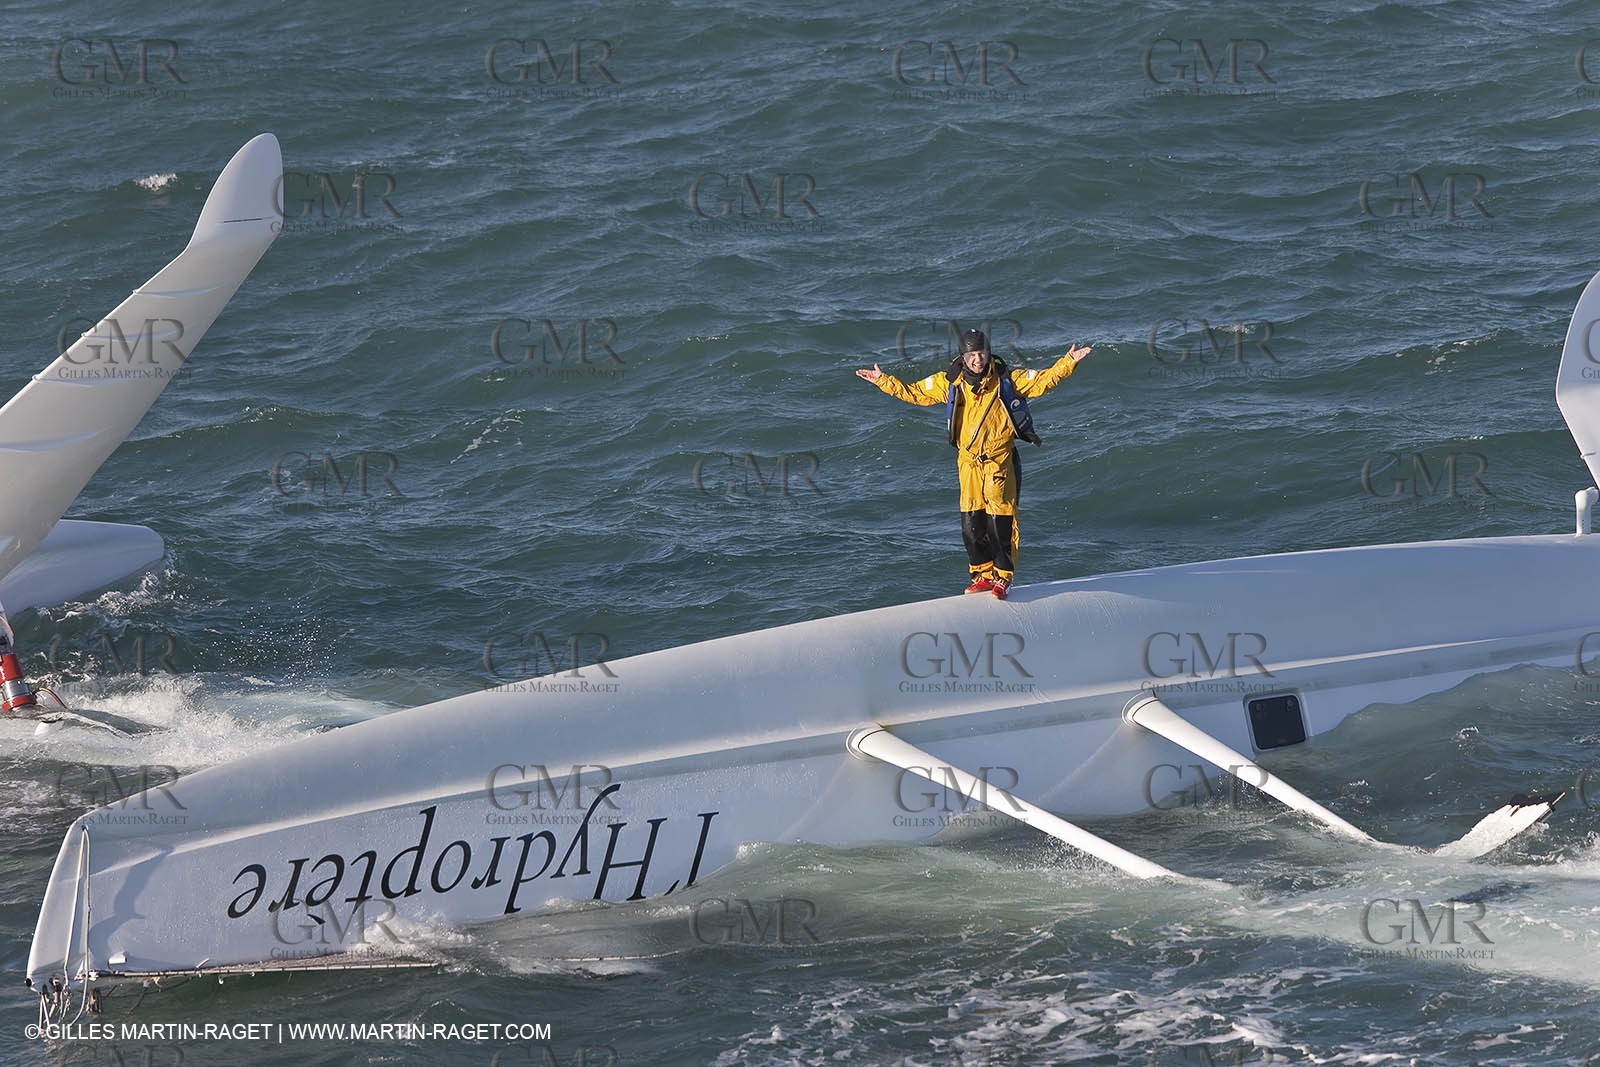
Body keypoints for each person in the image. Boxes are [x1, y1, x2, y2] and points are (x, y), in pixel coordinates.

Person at [856, 329, 1091, 599]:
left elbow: (1042, 381)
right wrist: (883, 381)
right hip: (968, 463)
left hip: (998, 461)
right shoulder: (951, 383)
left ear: (988, 353)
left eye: (982, 353)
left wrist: (1068, 361)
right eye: (972, 355)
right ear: (963, 357)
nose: (978, 359)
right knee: (971, 522)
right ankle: (981, 574)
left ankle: (1003, 576)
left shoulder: (1008, 380)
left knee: (1000, 520)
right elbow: (917, 393)